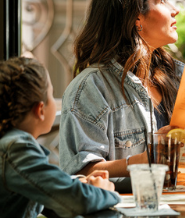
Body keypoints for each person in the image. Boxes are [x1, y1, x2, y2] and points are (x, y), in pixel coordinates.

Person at [59, 0, 184, 178]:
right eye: (162, 0)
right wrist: (145, 160)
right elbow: (80, 172)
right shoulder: (90, 88)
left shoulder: (180, 76)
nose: (175, 10)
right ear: (136, 17)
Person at [0, 57, 120, 218]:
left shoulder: (12, 144)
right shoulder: (17, 148)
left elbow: (45, 190)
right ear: (40, 110)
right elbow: (77, 201)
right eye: (51, 95)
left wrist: (78, 184)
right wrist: (102, 192)